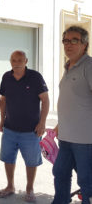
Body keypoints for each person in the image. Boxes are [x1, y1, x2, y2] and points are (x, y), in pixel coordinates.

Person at [0, 50, 49, 202]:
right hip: (10, 128)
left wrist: (42, 123)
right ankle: (10, 186)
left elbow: (45, 100)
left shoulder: (35, 77)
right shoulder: (6, 77)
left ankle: (30, 189)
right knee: (8, 159)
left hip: (31, 130)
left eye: (20, 59)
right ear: (10, 61)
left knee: (31, 161)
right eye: (14, 59)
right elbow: (3, 100)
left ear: (26, 61)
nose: (17, 62)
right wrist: (2, 120)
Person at [52, 26, 92, 204]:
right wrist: (61, 124)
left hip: (85, 139)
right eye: (66, 40)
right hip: (66, 136)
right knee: (60, 172)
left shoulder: (89, 66)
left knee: (86, 180)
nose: (68, 44)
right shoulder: (68, 67)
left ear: (84, 44)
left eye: (74, 40)